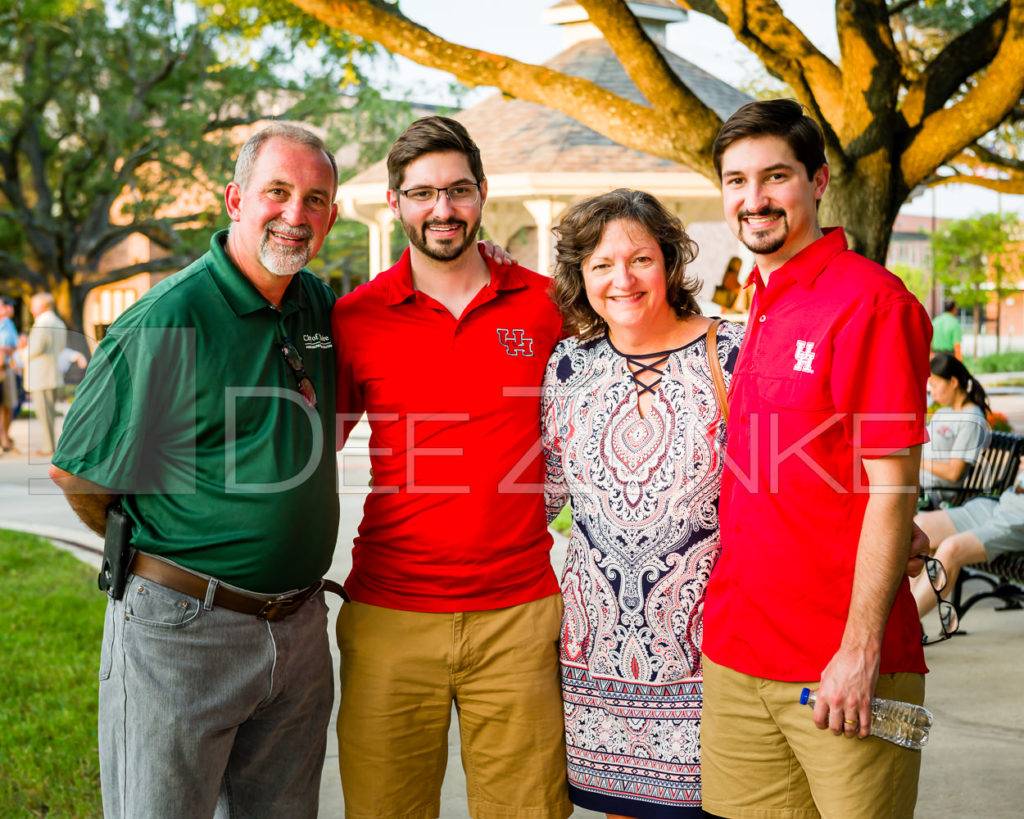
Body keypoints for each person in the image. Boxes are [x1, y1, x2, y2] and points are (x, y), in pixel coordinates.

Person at [49, 123, 341, 818]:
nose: (296, 214)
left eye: (316, 199)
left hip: (298, 630)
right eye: (278, 192)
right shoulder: (167, 319)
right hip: (185, 632)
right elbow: (80, 474)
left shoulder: (315, 304)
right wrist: (171, 551)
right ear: (236, 200)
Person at [331, 115, 571, 819]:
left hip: (519, 613)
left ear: (483, 193)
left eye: (458, 190)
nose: (443, 208)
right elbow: (305, 448)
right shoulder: (356, 317)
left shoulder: (545, 303)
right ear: (396, 201)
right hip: (389, 616)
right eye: (423, 193)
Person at [699, 99, 932, 818]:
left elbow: (894, 490)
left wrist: (859, 652)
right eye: (736, 181)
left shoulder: (874, 304)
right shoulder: (760, 305)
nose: (754, 198)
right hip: (737, 657)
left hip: (844, 667)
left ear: (819, 180)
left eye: (775, 176)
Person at [542, 189, 744, 819]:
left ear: (671, 263)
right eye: (600, 265)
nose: (621, 279)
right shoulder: (568, 366)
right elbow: (550, 496)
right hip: (600, 654)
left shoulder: (734, 354)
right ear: (580, 277)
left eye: (640, 259)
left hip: (715, 651)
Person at [913, 456, 1024, 617]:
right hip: (1007, 500)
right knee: (921, 526)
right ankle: (901, 614)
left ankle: (903, 628)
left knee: (951, 548)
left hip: (1018, 516)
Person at [920, 352, 991, 506]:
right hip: (915, 483)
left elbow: (954, 472)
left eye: (934, 385)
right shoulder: (942, 412)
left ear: (953, 382)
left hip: (930, 493)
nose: (931, 392)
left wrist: (914, 461)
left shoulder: (972, 419)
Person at [25, 292, 67, 457]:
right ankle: (49, 445)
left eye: (33, 305)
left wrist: (22, 352)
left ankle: (48, 446)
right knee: (48, 412)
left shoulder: (43, 323)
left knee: (44, 413)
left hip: (41, 374)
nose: (30, 309)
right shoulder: (58, 322)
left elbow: (35, 349)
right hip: (52, 372)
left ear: (42, 306)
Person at [0, 297, 19, 451]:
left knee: (8, 405)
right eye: (4, 305)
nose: (8, 308)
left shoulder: (8, 324)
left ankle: (5, 436)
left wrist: (6, 350)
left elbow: (14, 346)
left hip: (5, 368)